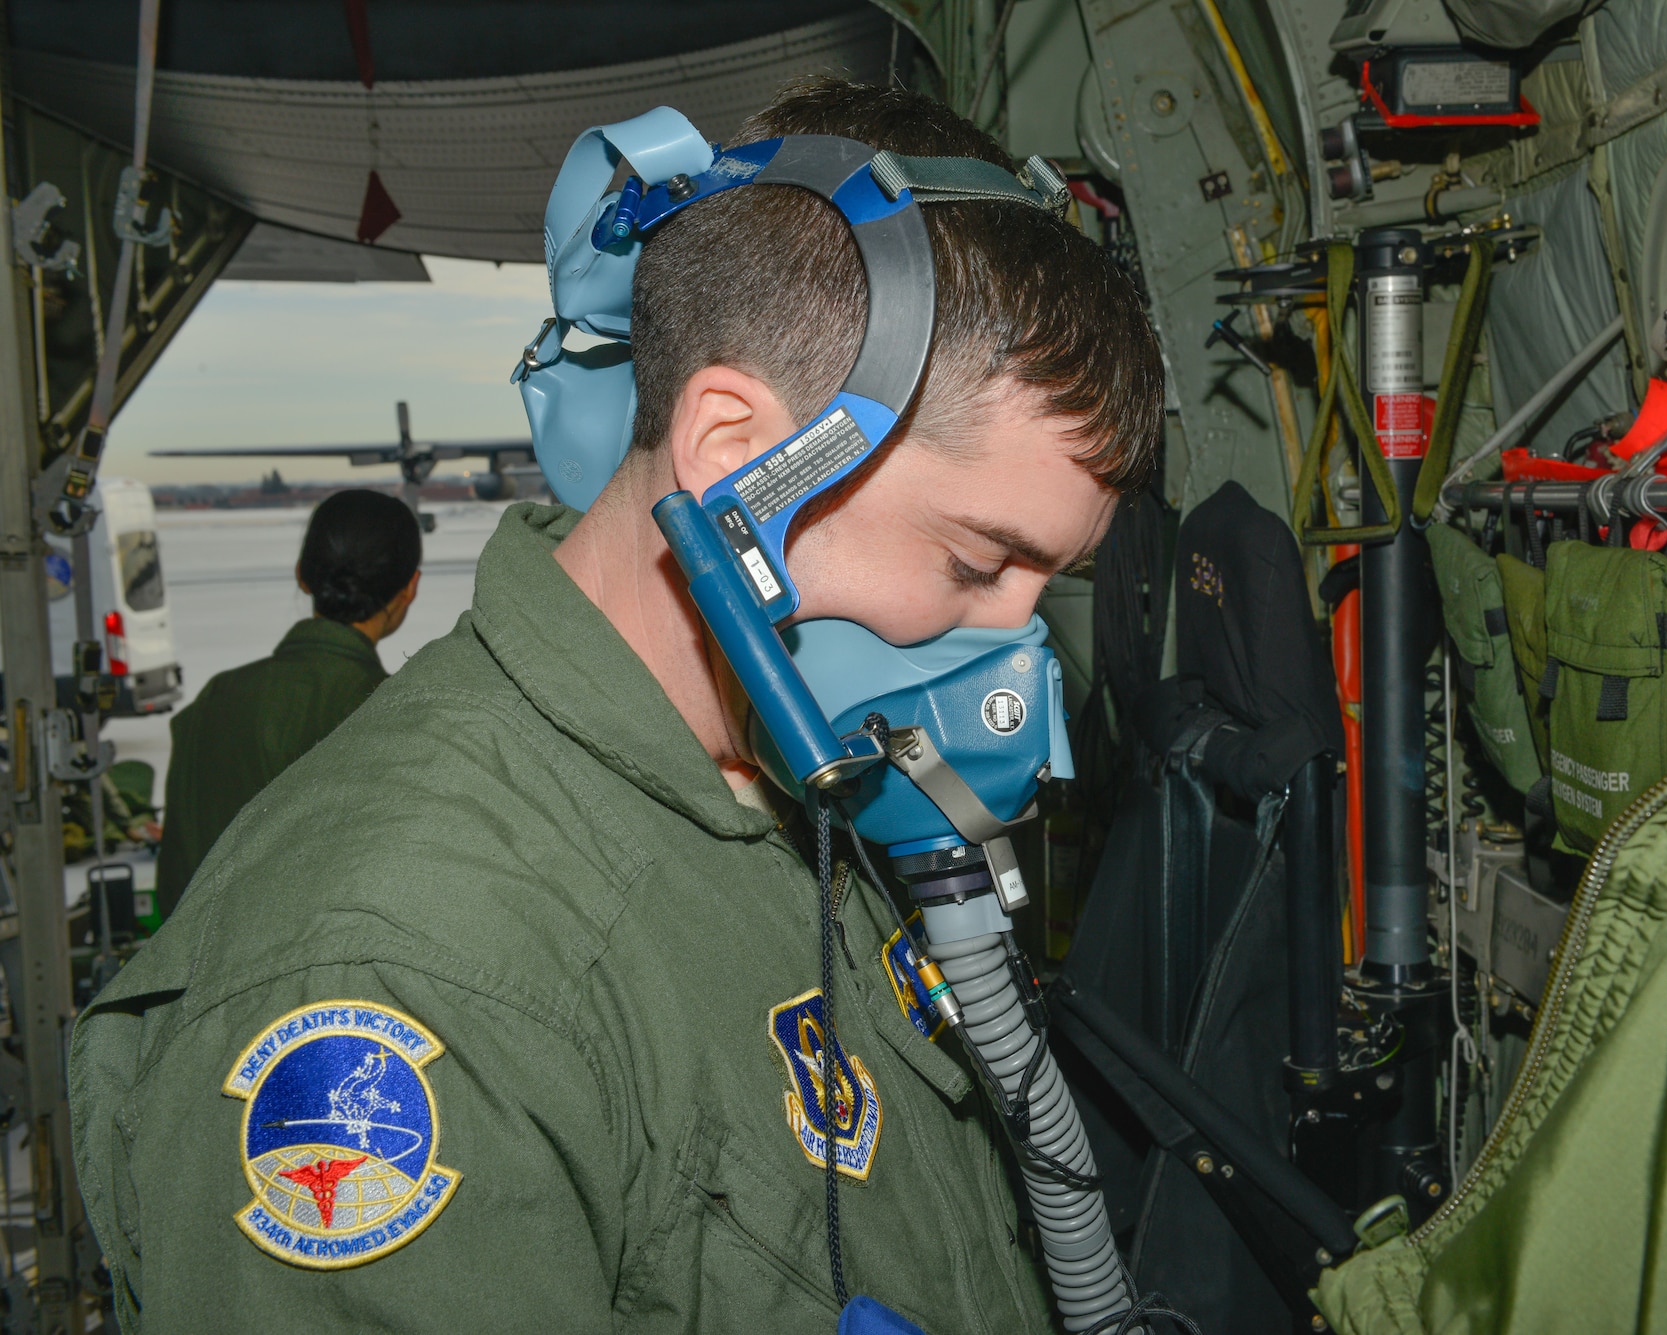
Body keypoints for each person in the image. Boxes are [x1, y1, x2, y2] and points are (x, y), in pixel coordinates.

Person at [70, 78, 1159, 1333]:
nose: (1016, 641)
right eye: (975, 563)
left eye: (1045, 583)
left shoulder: (795, 784)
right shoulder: (408, 978)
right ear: (739, 453)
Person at [153, 489, 421, 914]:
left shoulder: (215, 700)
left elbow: (175, 883)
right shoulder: (399, 719)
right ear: (410, 588)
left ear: (302, 575)